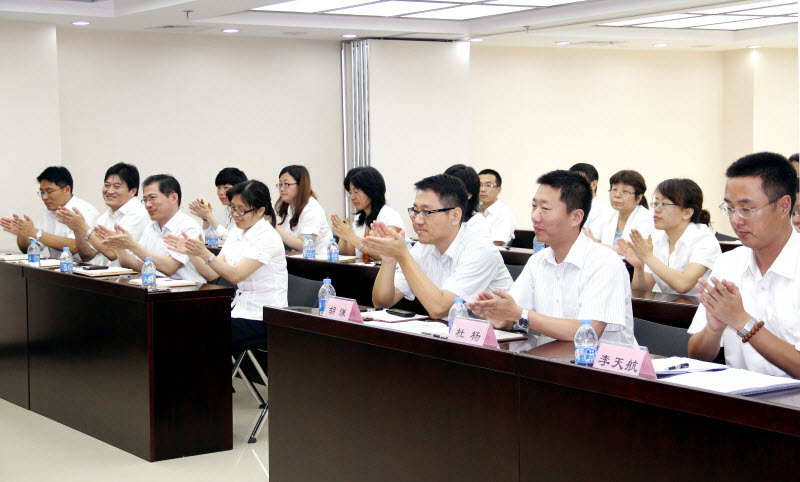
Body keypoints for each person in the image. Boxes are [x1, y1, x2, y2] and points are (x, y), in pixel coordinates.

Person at [468, 170, 637, 346]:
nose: (534, 216)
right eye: (534, 206)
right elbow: (512, 315)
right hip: (553, 358)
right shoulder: (537, 261)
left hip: (603, 362)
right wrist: (497, 315)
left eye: (545, 209)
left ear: (576, 217)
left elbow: (589, 332)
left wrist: (519, 314)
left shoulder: (605, 262)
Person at [688, 152, 800, 378]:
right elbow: (696, 356)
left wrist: (741, 321)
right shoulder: (729, 262)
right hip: (737, 398)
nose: (735, 220)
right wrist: (713, 330)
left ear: (784, 206)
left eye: (747, 209)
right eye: (729, 208)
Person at [164, 180, 288, 351]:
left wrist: (205, 253)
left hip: (264, 317)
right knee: (183, 322)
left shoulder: (267, 237)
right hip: (238, 310)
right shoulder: (237, 231)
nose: (235, 214)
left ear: (260, 210)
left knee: (203, 334)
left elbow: (235, 275)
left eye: (241, 210)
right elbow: (211, 273)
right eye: (232, 208)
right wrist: (191, 253)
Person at [368, 174, 512, 320]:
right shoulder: (423, 247)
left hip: (499, 333)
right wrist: (389, 261)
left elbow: (439, 308)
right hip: (448, 331)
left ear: (455, 215)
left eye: (426, 212)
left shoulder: (480, 250)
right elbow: (382, 302)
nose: (417, 220)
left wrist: (402, 255)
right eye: (416, 211)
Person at [618, 179, 720, 295]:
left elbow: (683, 284)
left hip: (701, 306)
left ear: (686, 213)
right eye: (656, 203)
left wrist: (648, 257)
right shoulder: (657, 238)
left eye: (664, 204)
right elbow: (642, 292)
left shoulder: (705, 240)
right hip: (669, 305)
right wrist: (639, 267)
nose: (656, 209)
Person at [100, 174, 205, 283]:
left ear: (173, 198)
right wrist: (119, 247)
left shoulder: (189, 227)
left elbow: (170, 267)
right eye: (145, 200)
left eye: (152, 198)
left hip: (186, 290)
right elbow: (137, 265)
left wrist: (133, 245)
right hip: (155, 287)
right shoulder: (151, 226)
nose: (148, 205)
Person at [55, 162, 149, 266]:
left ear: (132, 191)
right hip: (104, 273)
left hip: (130, 275)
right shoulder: (106, 215)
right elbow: (87, 255)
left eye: (117, 186)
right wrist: (77, 230)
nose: (110, 191)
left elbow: (113, 254)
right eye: (107, 185)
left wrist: (83, 227)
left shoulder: (139, 214)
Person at [1, 166, 99, 260]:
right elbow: (28, 249)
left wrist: (35, 233)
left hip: (87, 269)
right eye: (42, 192)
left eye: (49, 191)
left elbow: (73, 247)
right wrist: (23, 233)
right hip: (57, 268)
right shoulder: (48, 212)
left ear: (67, 190)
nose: (44, 197)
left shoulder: (86, 211)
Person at [330, 166, 406, 261]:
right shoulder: (359, 218)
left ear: (372, 190)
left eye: (356, 192)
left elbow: (386, 255)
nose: (352, 197)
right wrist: (343, 236)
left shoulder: (390, 216)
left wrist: (351, 236)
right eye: (350, 192)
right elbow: (348, 254)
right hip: (363, 269)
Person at [584, 169, 654, 253]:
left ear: (638, 197)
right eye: (614, 190)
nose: (617, 195)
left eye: (625, 191)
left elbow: (633, 253)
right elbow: (595, 242)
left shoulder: (647, 218)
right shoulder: (607, 214)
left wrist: (596, 244)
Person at [274, 165, 332, 254]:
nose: (281, 189)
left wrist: (275, 226)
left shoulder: (312, 209)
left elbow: (305, 245)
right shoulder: (288, 208)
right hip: (296, 259)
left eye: (286, 184)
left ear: (301, 185)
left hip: (319, 260)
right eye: (280, 184)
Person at [189, 167, 247, 244]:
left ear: (239, 189)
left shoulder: (246, 211)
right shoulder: (226, 210)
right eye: (218, 188)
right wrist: (206, 220)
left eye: (226, 188)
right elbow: (211, 239)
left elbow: (231, 239)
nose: (221, 192)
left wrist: (209, 216)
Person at [569, 163, 615, 237]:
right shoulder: (568, 207)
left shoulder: (604, 211)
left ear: (594, 185)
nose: (574, 187)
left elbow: (592, 240)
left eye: (580, 183)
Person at [444, 164, 489, 236]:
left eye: (451, 189)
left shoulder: (477, 223)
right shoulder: (437, 214)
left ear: (469, 194)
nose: (444, 193)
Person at [478, 169, 516, 246]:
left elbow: (497, 243)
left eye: (488, 185)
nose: (482, 189)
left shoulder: (504, 213)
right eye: (479, 185)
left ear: (498, 190)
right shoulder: (475, 211)